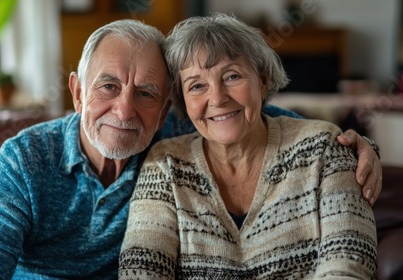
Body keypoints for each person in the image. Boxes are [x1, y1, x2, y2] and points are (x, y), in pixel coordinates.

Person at [0, 19, 380, 279]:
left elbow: (251, 113)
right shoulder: (24, 160)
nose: (124, 109)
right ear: (77, 92)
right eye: (108, 86)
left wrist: (354, 143)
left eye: (145, 92)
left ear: (165, 108)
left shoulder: (172, 134)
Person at [119, 14, 377, 279]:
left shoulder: (324, 151)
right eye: (197, 85)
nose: (217, 98)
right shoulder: (164, 165)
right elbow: (141, 270)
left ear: (263, 81)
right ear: (183, 101)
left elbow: (349, 265)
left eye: (232, 76)